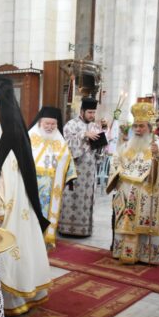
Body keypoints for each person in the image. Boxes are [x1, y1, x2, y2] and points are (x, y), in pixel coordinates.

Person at [0, 75, 51, 316]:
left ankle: (9, 300)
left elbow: (8, 174)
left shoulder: (7, 131)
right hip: (7, 203)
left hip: (8, 206)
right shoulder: (4, 127)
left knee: (8, 248)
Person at [106, 101, 159, 264]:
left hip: (148, 190)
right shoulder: (127, 143)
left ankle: (146, 255)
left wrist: (158, 156)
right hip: (127, 190)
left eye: (141, 126)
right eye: (135, 126)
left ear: (150, 127)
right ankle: (124, 251)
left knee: (144, 220)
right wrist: (118, 171)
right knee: (126, 220)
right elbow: (116, 159)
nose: (137, 129)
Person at [28, 106, 76, 248]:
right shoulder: (30, 136)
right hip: (31, 184)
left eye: (53, 124)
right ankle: (28, 240)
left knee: (46, 213)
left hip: (50, 189)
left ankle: (44, 241)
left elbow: (68, 159)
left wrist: (70, 175)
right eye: (47, 124)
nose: (50, 127)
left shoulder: (60, 141)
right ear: (40, 122)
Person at [58, 97, 102, 237]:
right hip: (74, 169)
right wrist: (83, 135)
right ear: (82, 111)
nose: (92, 115)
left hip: (90, 170)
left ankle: (84, 230)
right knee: (70, 197)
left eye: (94, 112)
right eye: (90, 112)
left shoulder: (95, 127)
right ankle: (66, 228)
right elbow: (65, 145)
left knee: (86, 199)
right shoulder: (70, 125)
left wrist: (101, 144)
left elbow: (99, 152)